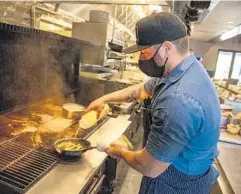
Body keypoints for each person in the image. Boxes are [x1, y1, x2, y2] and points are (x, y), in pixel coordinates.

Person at [85, 12, 220, 194]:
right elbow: (140, 91)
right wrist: (103, 99)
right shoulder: (181, 69)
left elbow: (150, 168)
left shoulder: (178, 100)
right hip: (178, 169)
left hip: (176, 184)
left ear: (166, 48)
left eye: (145, 52)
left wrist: (121, 152)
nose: (142, 58)